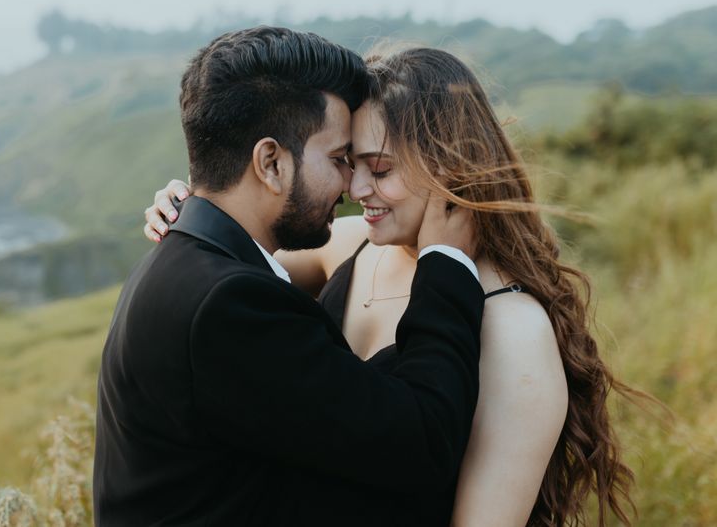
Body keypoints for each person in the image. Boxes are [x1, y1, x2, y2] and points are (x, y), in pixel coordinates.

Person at [146, 46, 637, 526]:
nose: (356, 190)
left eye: (380, 169)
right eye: (347, 162)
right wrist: (195, 211)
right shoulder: (351, 244)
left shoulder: (513, 329)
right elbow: (230, 275)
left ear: (451, 166)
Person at [95, 27, 488, 526]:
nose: (351, 185)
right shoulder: (229, 304)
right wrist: (447, 261)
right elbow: (424, 443)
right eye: (340, 160)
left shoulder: (191, 255)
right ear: (270, 163)